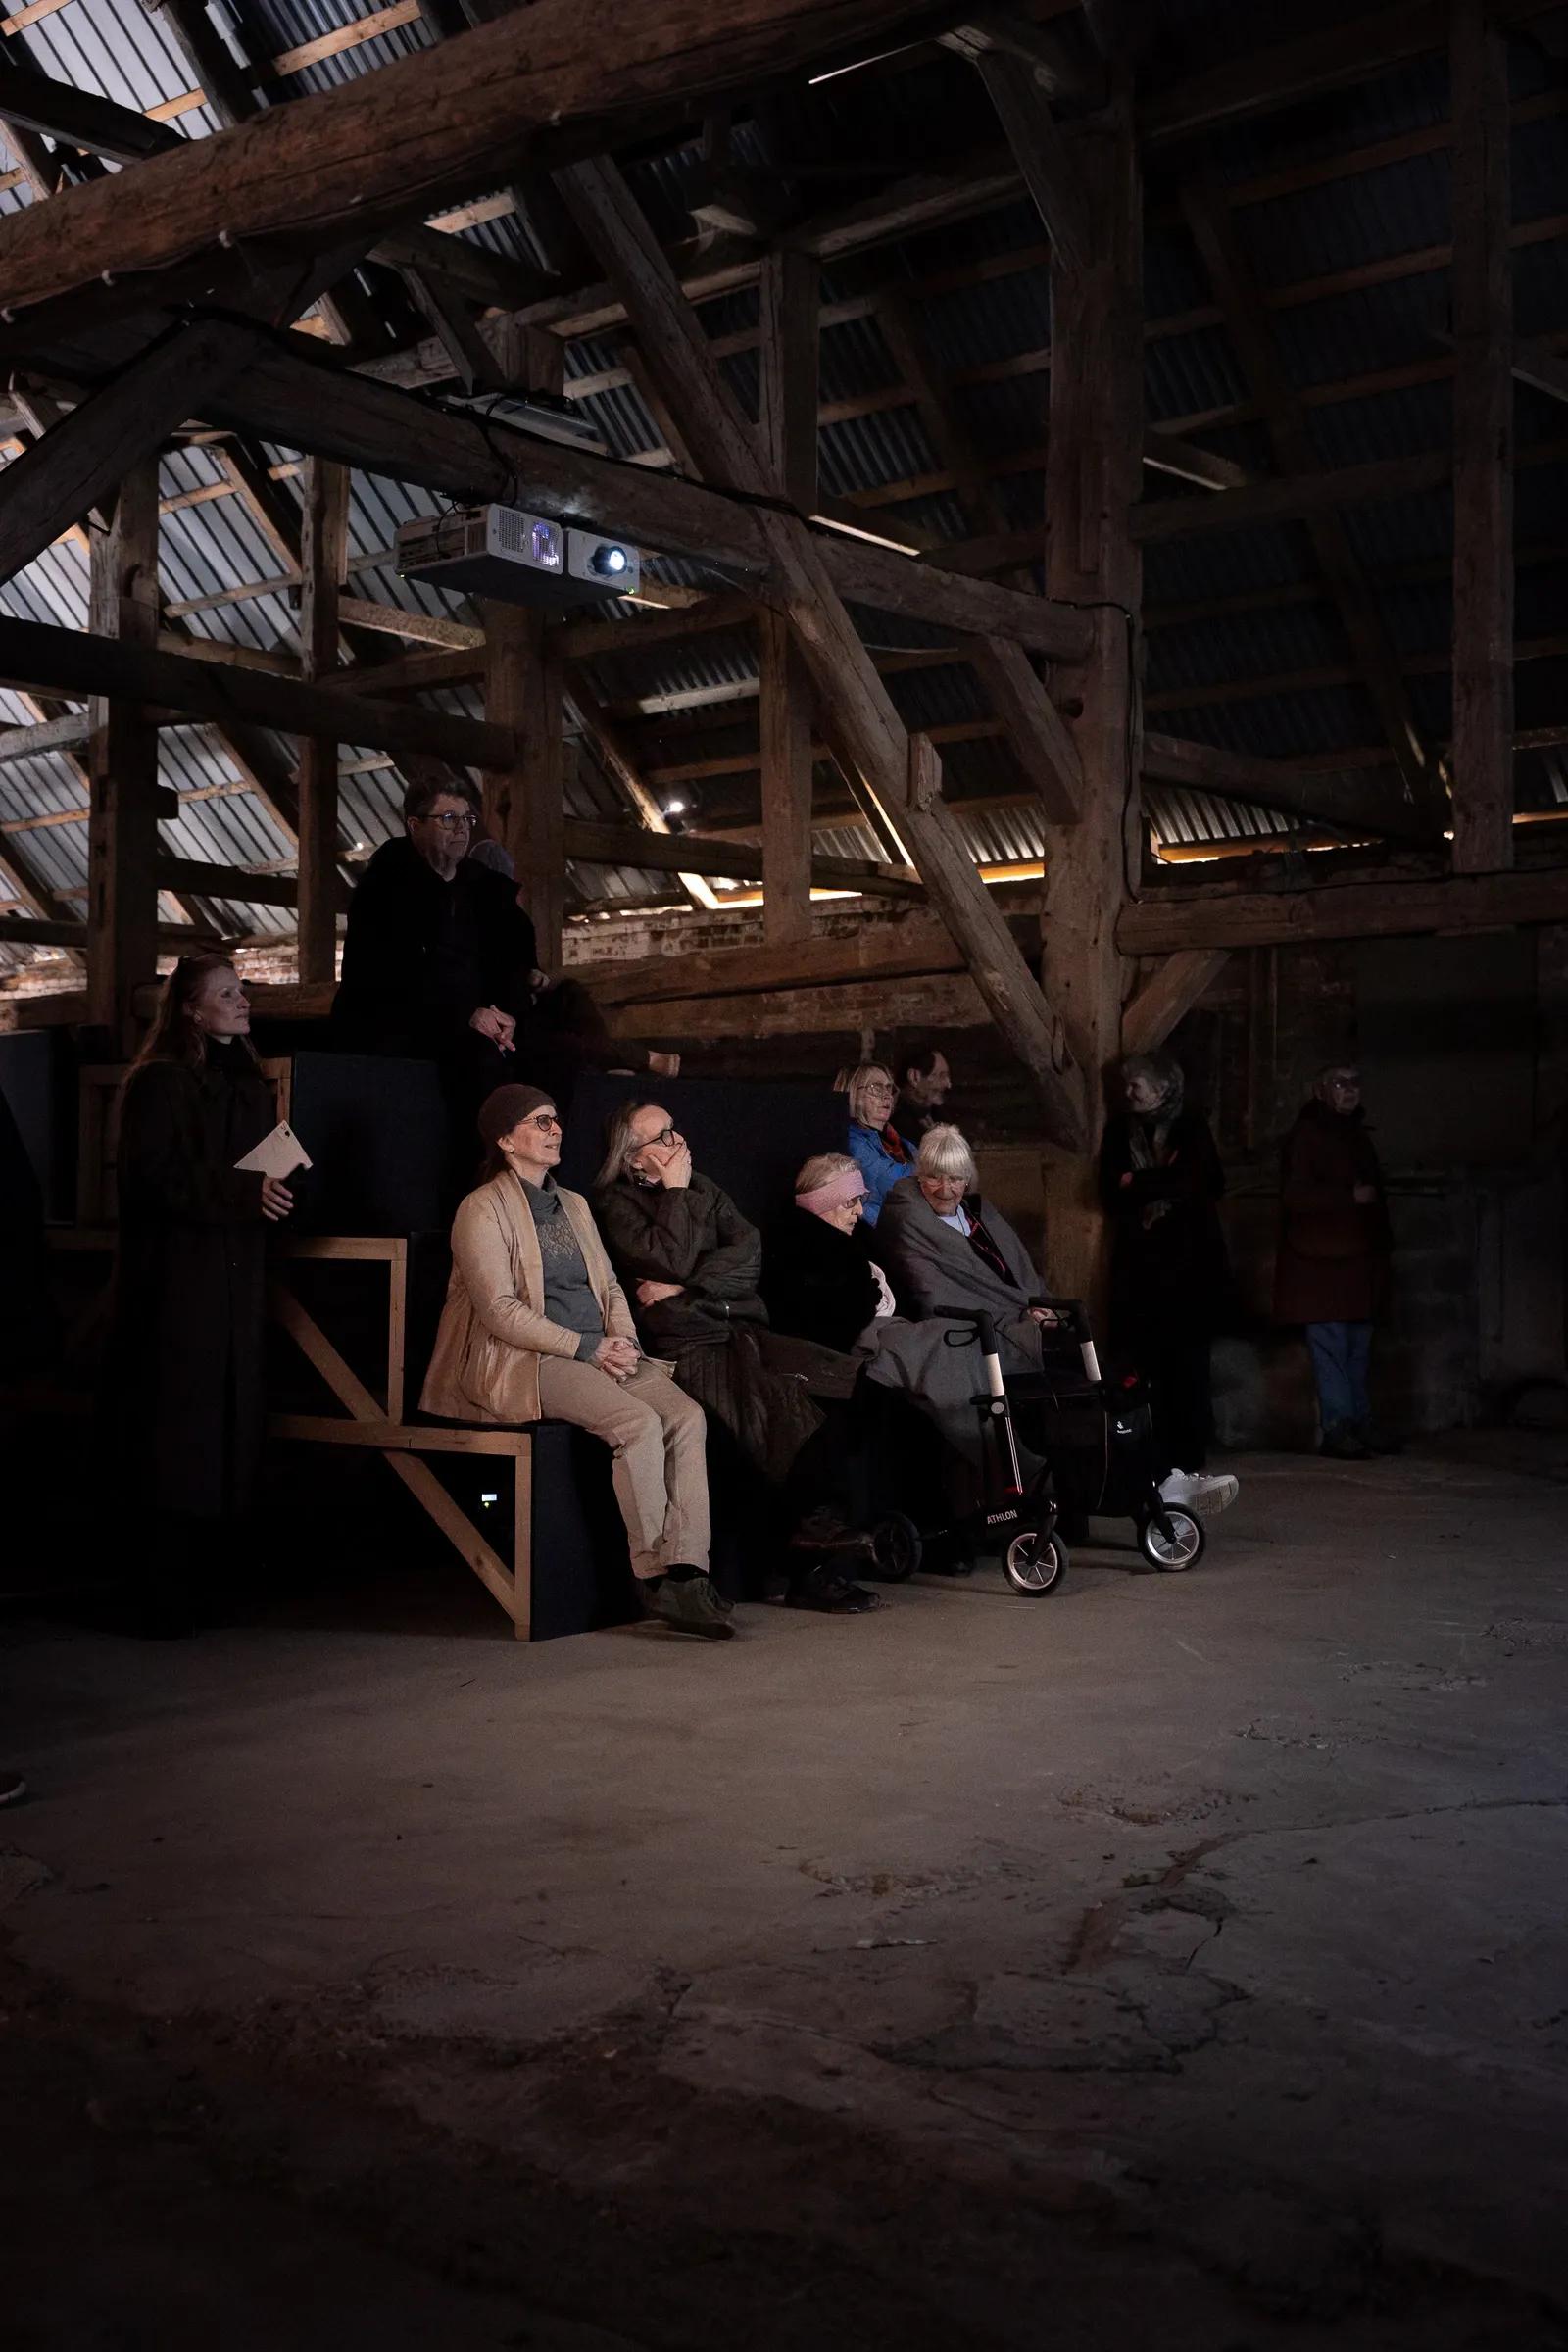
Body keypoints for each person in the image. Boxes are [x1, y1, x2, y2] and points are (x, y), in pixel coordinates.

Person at [419, 1083, 730, 1640]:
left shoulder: (575, 1204)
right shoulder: (482, 1208)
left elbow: (610, 1287)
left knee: (686, 1417)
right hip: (527, 1356)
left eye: (555, 1119)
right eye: (539, 1122)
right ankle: (657, 1578)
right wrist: (587, 1347)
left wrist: (623, 1342)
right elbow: (499, 1311)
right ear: (505, 1139)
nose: (554, 1129)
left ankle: (688, 1571)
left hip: (601, 1351)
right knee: (636, 1424)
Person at [594, 1103, 879, 1612]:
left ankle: (814, 1542)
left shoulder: (705, 1186)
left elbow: (749, 1253)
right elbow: (666, 1257)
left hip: (732, 1324)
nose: (676, 1141)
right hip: (688, 1346)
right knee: (775, 1412)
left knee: (843, 1385)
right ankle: (805, 1563)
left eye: (675, 1129)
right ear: (634, 1161)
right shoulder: (618, 1203)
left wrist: (692, 1285)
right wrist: (676, 1194)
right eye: (660, 1137)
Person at [107, 956, 292, 1632]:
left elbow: (266, 1163)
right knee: (178, 1428)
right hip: (179, 1281)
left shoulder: (246, 1082)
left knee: (225, 1425)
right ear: (190, 1008)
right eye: (225, 994)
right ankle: (161, 1595)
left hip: (235, 1275)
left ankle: (211, 1586)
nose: (242, 1002)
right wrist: (245, 1193)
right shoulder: (160, 1084)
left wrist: (283, 1182)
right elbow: (153, 1178)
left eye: (241, 991)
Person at [1100, 1054, 1239, 1518]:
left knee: (1189, 1371)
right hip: (1141, 1276)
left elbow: (1199, 1179)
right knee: (1145, 1370)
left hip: (1189, 1273)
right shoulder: (1120, 1131)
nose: (1129, 1093)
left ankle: (1191, 1461)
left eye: (1137, 1085)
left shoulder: (1190, 1125)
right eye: (1127, 1086)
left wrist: (1138, 1180)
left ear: (1163, 1087)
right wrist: (1161, 1184)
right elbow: (1107, 1189)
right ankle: (1152, 1464)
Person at [1276, 1065, 1395, 1461]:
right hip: (1321, 1265)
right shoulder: (1307, 1135)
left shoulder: (1356, 1134)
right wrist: (1348, 1197)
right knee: (1331, 1348)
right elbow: (1296, 1196)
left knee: (1357, 1349)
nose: (1349, 1091)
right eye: (1339, 1084)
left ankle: (1359, 1422)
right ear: (1321, 1090)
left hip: (1358, 1261)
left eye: (1355, 1083)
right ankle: (1339, 1426)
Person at [761, 1153, 896, 1355]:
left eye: (860, 1199)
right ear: (821, 1203)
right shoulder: (796, 1255)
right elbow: (830, 1327)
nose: (860, 1210)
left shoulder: (862, 1240)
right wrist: (867, 1298)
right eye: (850, 1201)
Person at [844, 1063, 916, 1227]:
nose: (887, 1095)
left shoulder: (900, 1142)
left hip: (908, 1224)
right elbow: (891, 1183)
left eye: (889, 1088)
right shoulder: (851, 1141)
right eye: (876, 1087)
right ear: (854, 1094)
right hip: (881, 1231)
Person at [896, 1039, 952, 1137]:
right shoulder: (897, 1125)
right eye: (941, 1076)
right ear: (914, 1077)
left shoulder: (938, 1115)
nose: (948, 1084)